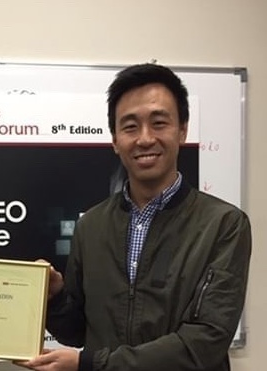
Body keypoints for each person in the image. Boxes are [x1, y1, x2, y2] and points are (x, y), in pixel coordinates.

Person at [18, 64, 252, 371]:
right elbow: (76, 331)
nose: (144, 139)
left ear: (182, 129)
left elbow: (203, 345)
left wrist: (90, 365)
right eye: (130, 127)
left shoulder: (224, 224)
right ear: (115, 140)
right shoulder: (92, 225)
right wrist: (57, 297)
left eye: (158, 123)